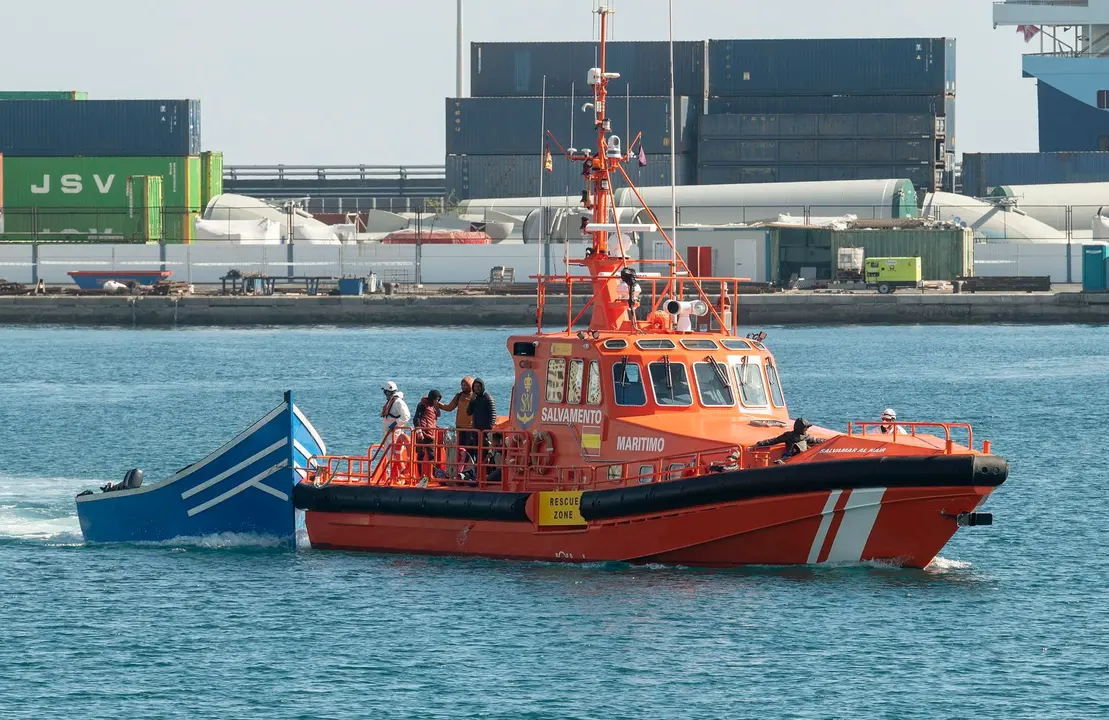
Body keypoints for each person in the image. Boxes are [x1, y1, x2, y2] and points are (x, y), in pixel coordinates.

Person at [750, 417, 827, 463]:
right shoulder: (806, 437)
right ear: (803, 428)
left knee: (805, 446)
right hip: (796, 456)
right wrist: (827, 440)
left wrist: (760, 444)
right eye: (806, 428)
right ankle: (784, 460)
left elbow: (774, 440)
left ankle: (783, 460)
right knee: (803, 446)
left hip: (791, 455)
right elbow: (817, 440)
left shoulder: (789, 435)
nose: (807, 429)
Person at [440, 376, 476, 465]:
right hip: (460, 427)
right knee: (461, 450)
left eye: (465, 385)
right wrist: (439, 404)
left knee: (470, 450)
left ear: (471, 385)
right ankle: (461, 469)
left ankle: (471, 469)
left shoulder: (475, 396)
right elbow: (449, 407)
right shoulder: (459, 396)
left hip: (471, 428)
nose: (463, 387)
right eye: (462, 385)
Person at [466, 378, 497, 479]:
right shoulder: (474, 399)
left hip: (485, 432)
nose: (477, 389)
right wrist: (471, 402)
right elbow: (469, 412)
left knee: (485, 454)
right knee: (476, 453)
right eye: (475, 387)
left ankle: (485, 474)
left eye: (478, 387)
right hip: (476, 431)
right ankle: (478, 474)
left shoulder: (488, 398)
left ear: (482, 387)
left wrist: (488, 429)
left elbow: (493, 415)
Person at [414, 390, 443, 479]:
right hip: (422, 434)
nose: (437, 401)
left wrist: (437, 407)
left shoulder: (434, 407)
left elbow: (435, 417)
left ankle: (432, 475)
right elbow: (416, 418)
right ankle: (421, 475)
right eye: (436, 399)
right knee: (421, 454)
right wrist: (419, 430)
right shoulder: (422, 405)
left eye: (438, 399)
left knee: (432, 455)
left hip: (431, 434)